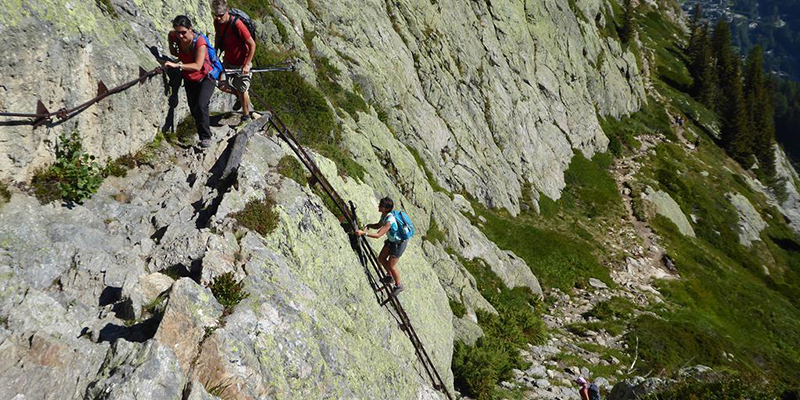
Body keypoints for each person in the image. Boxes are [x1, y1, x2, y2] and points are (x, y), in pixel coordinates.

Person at [163, 15, 214, 148]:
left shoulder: (199, 42)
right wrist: (171, 42)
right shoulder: (175, 36)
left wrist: (177, 66)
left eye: (183, 32)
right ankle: (202, 130)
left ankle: (206, 137)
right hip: (190, 78)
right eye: (178, 32)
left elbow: (197, 65)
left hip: (206, 77)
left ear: (190, 29)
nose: (180, 36)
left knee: (201, 105)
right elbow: (174, 51)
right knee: (194, 109)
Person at [211, 0, 257, 122]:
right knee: (221, 85)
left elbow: (252, 44)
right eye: (216, 15)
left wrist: (247, 64)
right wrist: (215, 52)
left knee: (242, 89)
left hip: (242, 63)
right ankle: (238, 94)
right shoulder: (217, 22)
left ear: (227, 11)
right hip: (228, 60)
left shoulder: (237, 25)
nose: (218, 18)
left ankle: (246, 116)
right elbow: (218, 36)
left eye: (221, 15)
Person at [355, 197, 407, 296]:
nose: (379, 206)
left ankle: (398, 285)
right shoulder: (384, 215)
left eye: (381, 206)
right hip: (392, 241)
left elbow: (378, 235)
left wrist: (363, 233)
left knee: (391, 265)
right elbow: (379, 225)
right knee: (381, 258)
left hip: (399, 244)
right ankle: (390, 276)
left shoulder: (389, 220)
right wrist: (369, 225)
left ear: (386, 208)